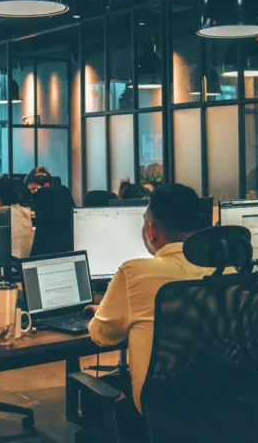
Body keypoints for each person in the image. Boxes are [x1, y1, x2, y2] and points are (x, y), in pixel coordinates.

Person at [84, 184, 225, 434]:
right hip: (224, 406)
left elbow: (102, 336)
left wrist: (106, 311)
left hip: (160, 413)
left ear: (152, 230)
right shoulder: (226, 272)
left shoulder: (134, 272)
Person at [24, 167, 76, 256]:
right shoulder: (63, 195)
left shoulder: (48, 204)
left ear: (46, 186)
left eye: (34, 189)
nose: (32, 194)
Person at [0, 176, 34, 259]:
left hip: (9, 265)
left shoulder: (3, 215)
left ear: (0, 198)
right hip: (23, 262)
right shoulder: (24, 211)